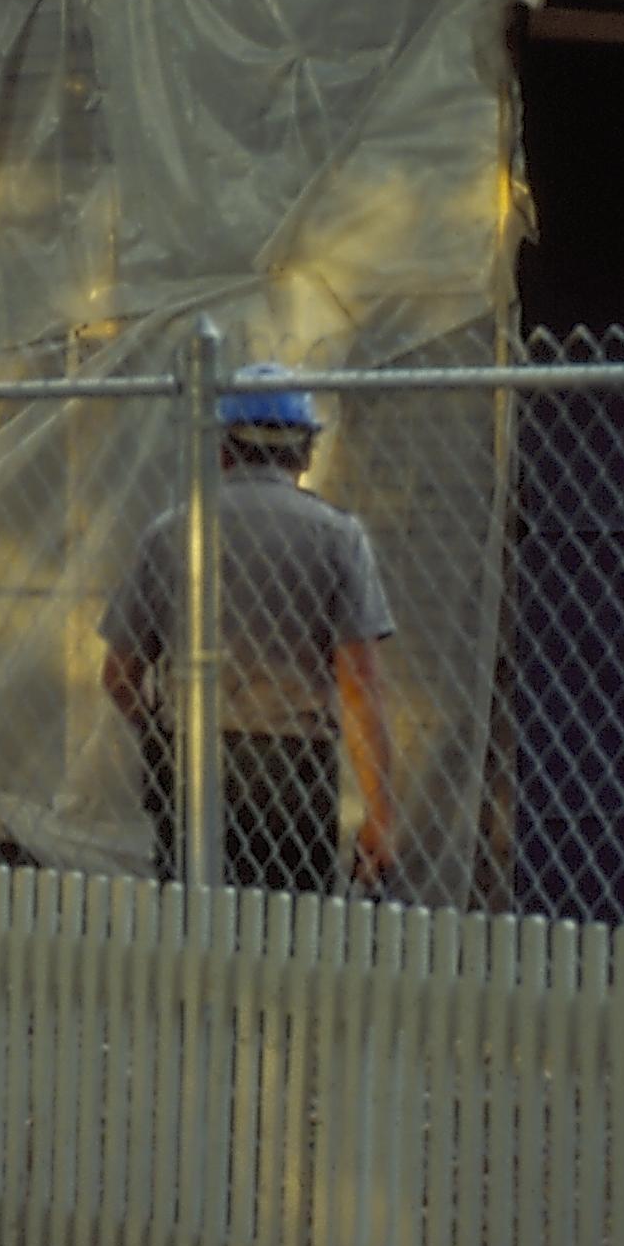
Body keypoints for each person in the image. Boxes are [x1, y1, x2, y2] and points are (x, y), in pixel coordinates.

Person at [99, 364, 399, 895]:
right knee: (286, 928)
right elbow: (359, 685)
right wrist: (380, 811)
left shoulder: (171, 532)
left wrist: (157, 731)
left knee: (191, 913)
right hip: (292, 769)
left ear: (220, 450)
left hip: (190, 756)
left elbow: (118, 673)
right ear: (305, 452)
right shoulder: (338, 538)